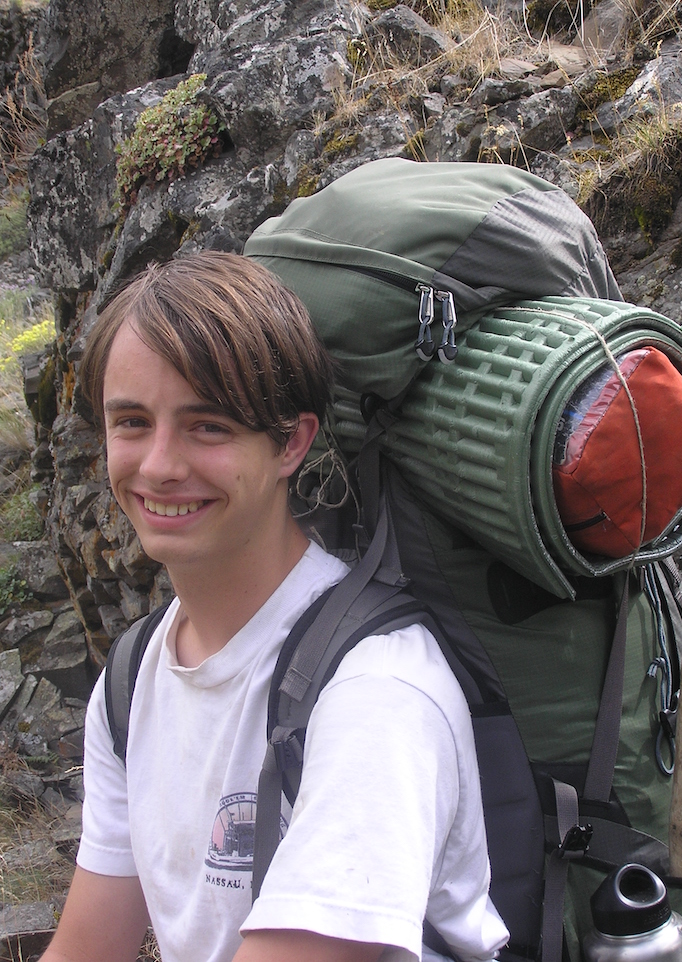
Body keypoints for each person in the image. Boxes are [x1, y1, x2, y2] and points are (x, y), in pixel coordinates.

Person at [40, 252, 509, 962]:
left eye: (208, 426)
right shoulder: (131, 681)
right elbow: (87, 948)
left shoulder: (374, 693)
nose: (160, 464)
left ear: (292, 441)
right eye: (132, 422)